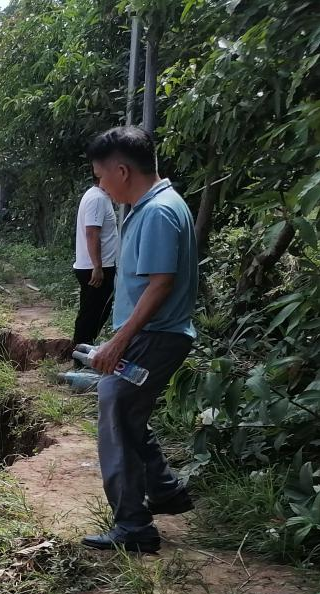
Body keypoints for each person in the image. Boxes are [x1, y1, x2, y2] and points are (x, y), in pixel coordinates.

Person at [82, 126, 197, 554]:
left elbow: (160, 285)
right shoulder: (151, 206)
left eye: (101, 175)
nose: (100, 185)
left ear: (123, 170)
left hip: (153, 336)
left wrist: (117, 344)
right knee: (127, 415)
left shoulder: (158, 212)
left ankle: (133, 527)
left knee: (114, 411)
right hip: (153, 335)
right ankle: (165, 490)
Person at [72, 175, 119, 364]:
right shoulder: (98, 198)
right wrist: (98, 267)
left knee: (92, 312)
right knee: (93, 315)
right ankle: (81, 357)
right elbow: (92, 233)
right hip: (97, 268)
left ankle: (81, 353)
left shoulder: (97, 197)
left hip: (96, 266)